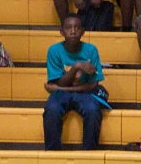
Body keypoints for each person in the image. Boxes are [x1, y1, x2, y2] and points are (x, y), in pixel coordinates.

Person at [43, 11, 107, 150]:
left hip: (85, 93)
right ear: (61, 31)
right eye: (68, 28)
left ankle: (89, 153)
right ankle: (52, 154)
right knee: (51, 110)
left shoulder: (91, 50)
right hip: (62, 93)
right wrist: (77, 66)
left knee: (93, 110)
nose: (73, 31)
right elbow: (60, 83)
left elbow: (93, 84)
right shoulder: (54, 51)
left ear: (83, 31)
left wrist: (61, 88)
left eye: (77, 27)